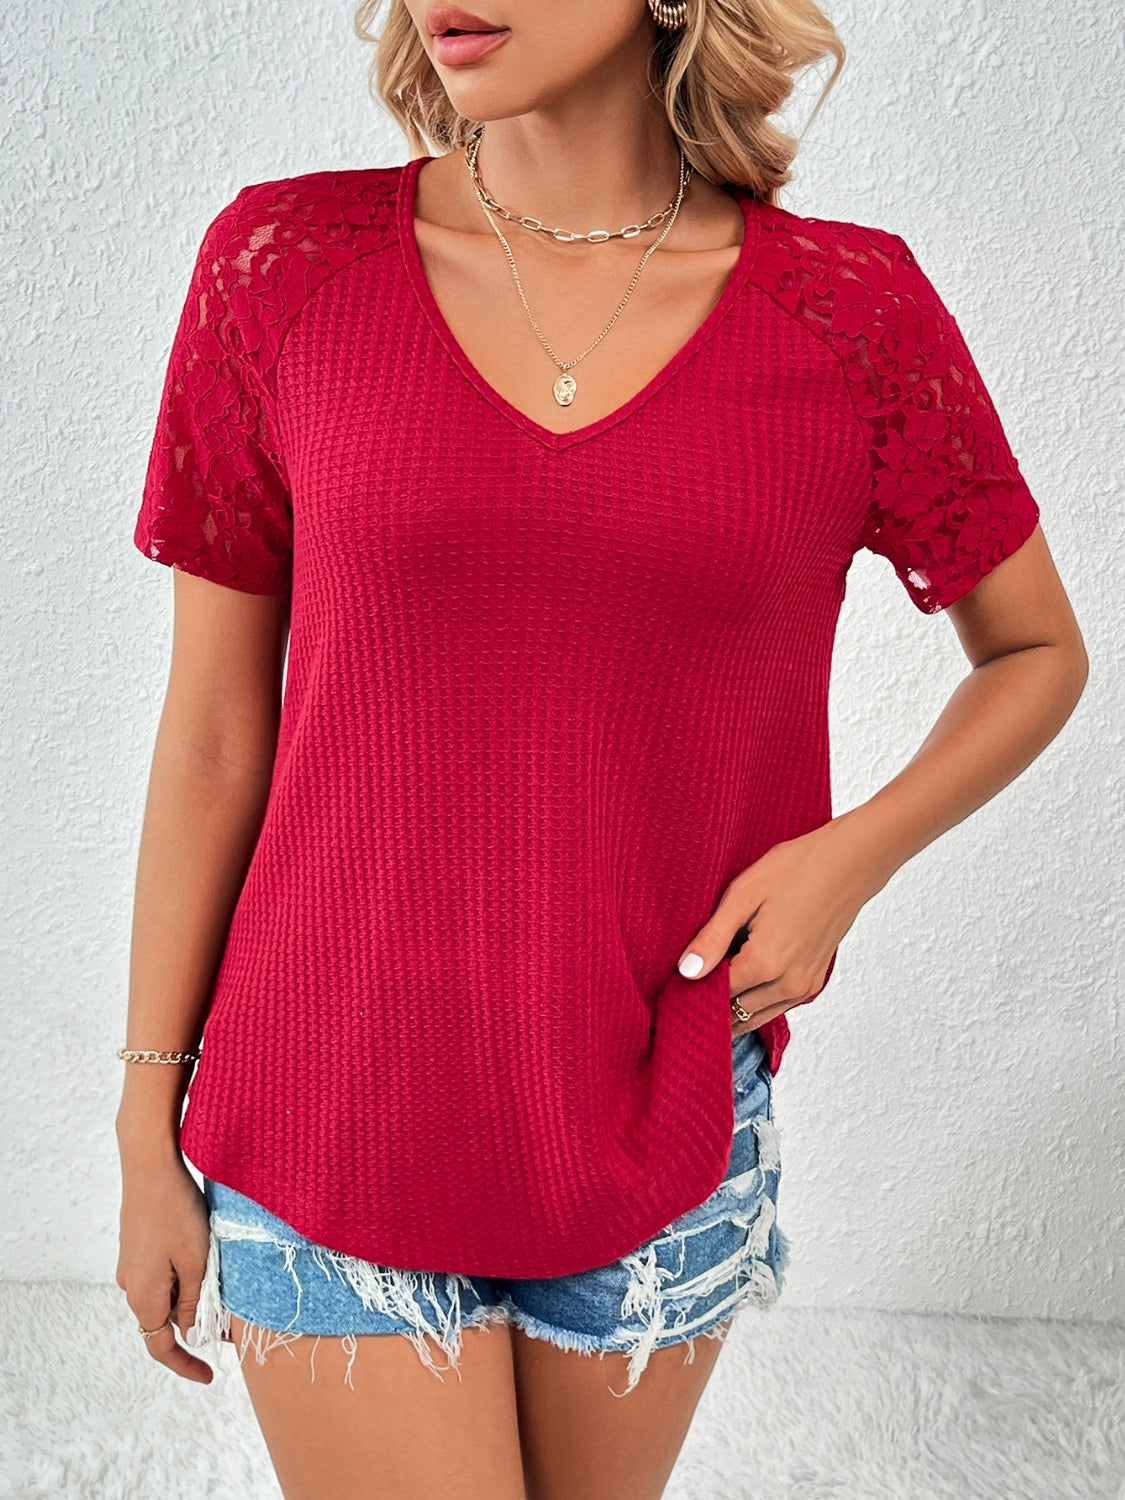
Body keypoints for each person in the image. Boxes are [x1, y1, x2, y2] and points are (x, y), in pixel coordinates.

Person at [114, 0, 1087, 1495]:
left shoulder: (852, 315)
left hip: (659, 1107)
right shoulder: (283, 268)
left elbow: (1033, 653)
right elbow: (213, 732)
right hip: (330, 1100)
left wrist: (848, 859)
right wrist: (144, 1118)